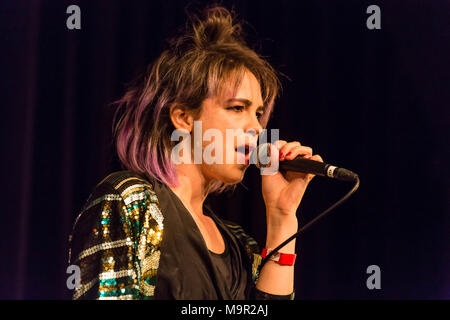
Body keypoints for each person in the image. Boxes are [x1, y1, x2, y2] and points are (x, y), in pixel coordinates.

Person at [68, 5, 323, 300]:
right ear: (184, 118)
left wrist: (282, 218)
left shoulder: (240, 245)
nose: (256, 128)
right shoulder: (131, 202)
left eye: (259, 114)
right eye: (238, 108)